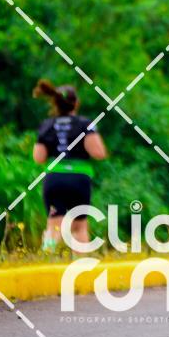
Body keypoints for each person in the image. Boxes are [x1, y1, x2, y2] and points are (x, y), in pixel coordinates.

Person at [33, 79, 107, 252]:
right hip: (79, 180)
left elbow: (39, 157)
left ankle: (47, 258)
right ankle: (81, 264)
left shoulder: (46, 125)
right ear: (76, 103)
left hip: (54, 179)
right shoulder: (85, 124)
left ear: (55, 103)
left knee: (53, 225)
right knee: (79, 226)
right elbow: (98, 153)